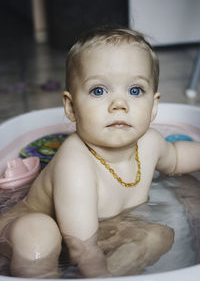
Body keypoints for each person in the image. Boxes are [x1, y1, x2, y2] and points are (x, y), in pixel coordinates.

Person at [0, 26, 200, 278]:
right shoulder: (76, 164)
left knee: (159, 235)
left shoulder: (150, 142)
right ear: (71, 107)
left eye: (135, 90)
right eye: (98, 91)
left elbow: (178, 158)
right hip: (38, 235)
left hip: (98, 231)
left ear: (153, 106)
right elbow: (81, 245)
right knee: (38, 231)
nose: (119, 104)